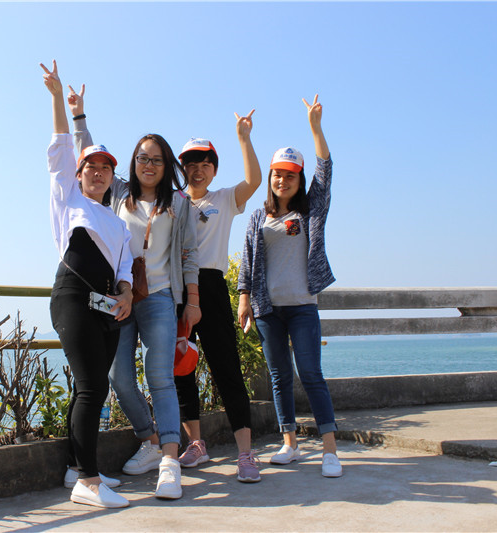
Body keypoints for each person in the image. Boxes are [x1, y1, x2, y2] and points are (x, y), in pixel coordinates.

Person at [69, 85, 201, 500]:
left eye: (156, 159)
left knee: (160, 377)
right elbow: (90, 158)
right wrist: (79, 117)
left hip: (160, 296)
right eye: (142, 157)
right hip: (120, 297)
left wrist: (192, 302)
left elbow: (189, 256)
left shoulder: (179, 204)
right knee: (119, 378)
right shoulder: (119, 193)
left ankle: (169, 463)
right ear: (134, 162)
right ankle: (149, 439)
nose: (148, 164)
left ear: (166, 165)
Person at [42, 60, 134, 508]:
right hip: (74, 299)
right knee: (93, 387)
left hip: (107, 309)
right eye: (90, 166)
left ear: (111, 177)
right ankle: (89, 484)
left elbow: (125, 267)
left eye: (105, 168)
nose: (97, 172)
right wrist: (58, 99)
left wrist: (127, 293)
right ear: (79, 174)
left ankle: (76, 469)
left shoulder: (118, 223)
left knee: (89, 389)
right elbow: (61, 148)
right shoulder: (68, 199)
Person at [237, 94, 343, 478]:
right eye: (277, 174)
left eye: (290, 175)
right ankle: (290, 443)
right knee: (279, 377)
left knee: (311, 374)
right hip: (268, 310)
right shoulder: (258, 217)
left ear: (299, 180)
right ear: (270, 177)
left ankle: (329, 450)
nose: (282, 180)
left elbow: (325, 172)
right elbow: (247, 260)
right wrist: (244, 300)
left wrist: (316, 129)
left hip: (302, 306)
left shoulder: (310, 210)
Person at [173, 109, 263, 483]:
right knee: (180, 368)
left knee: (226, 368)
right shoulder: (173, 202)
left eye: (205, 164)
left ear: (213, 169)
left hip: (210, 286)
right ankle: (196, 444)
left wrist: (244, 138)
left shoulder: (224, 199)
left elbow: (254, 180)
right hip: (177, 290)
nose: (198, 170)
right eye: (191, 164)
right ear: (182, 168)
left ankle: (245, 453)